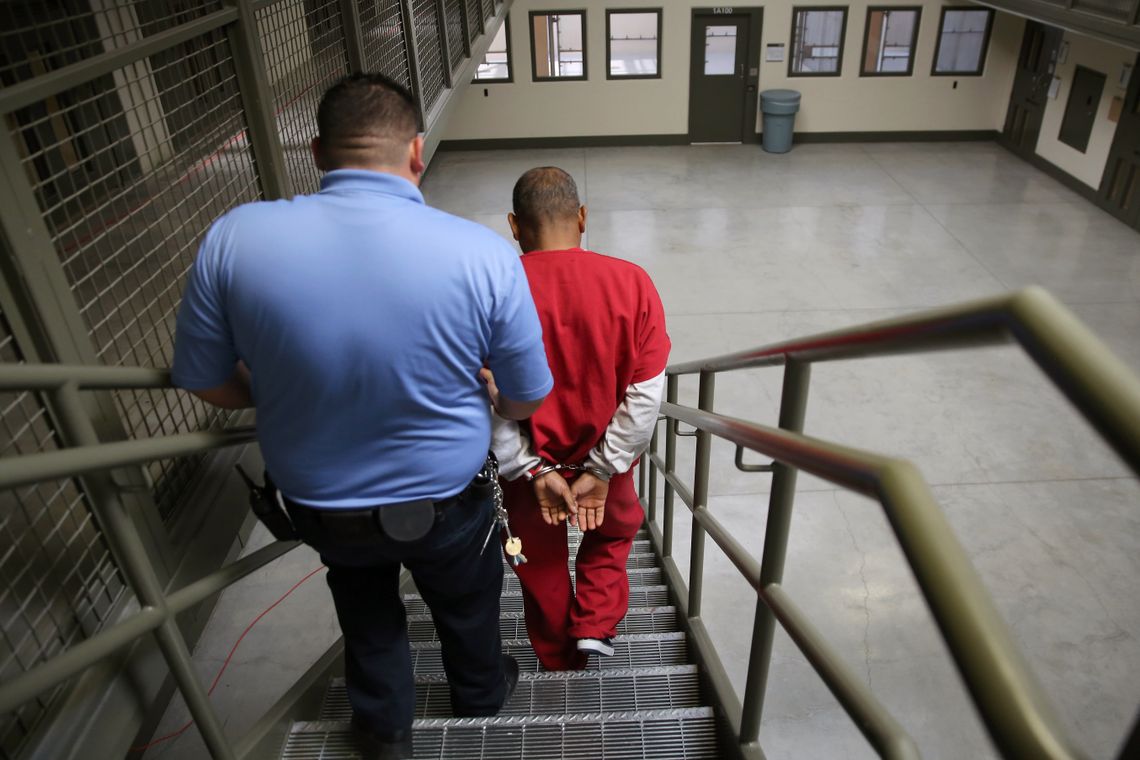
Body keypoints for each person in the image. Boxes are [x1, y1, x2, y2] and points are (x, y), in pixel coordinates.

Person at [171, 73, 553, 759]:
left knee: (365, 606)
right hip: (450, 501)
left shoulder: (235, 238)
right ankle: (481, 693)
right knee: (467, 601)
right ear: (416, 150)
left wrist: (292, 383)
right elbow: (527, 397)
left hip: (324, 505)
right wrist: (490, 393)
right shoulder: (485, 254)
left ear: (317, 152)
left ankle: (383, 731)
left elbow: (203, 378)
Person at [491, 167, 670, 671]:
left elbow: (486, 396)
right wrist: (603, 468)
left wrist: (533, 469)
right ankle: (594, 624)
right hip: (606, 459)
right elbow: (645, 395)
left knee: (537, 558)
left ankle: (555, 654)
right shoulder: (632, 283)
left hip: (529, 470)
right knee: (611, 534)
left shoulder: (497, 290)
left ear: (514, 225)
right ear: (583, 218)